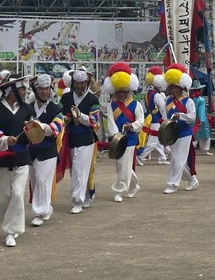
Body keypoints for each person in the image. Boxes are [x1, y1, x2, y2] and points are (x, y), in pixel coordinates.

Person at [0, 74, 34, 247]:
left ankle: (11, 232)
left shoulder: (27, 109)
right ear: (11, 90)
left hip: (22, 158)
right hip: (1, 158)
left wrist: (35, 131)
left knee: (18, 194)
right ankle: (9, 222)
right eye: (22, 89)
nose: (25, 92)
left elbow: (33, 130)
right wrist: (6, 140)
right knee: (3, 198)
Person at [59, 68, 100, 213]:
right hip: (70, 138)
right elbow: (58, 114)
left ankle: (78, 201)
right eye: (77, 83)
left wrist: (80, 116)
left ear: (87, 83)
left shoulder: (92, 99)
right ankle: (86, 195)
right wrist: (65, 119)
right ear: (73, 83)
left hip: (86, 139)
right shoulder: (66, 97)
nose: (80, 86)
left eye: (82, 83)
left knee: (80, 170)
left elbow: (94, 121)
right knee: (74, 171)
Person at [103, 62, 144, 202]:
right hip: (117, 139)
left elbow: (141, 120)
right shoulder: (112, 105)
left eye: (123, 91)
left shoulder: (136, 104)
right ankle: (134, 185)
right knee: (122, 165)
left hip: (130, 139)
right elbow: (110, 122)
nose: (121, 94)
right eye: (118, 91)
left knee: (123, 165)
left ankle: (119, 190)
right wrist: (116, 136)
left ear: (128, 90)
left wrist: (131, 126)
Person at [27, 74, 63, 227]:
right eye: (41, 89)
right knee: (35, 182)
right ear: (36, 90)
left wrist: (37, 126)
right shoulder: (27, 108)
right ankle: (46, 207)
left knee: (42, 180)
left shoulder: (56, 108)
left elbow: (56, 128)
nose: (44, 92)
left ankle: (39, 213)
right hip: (31, 151)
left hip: (48, 151)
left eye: (47, 89)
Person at [162, 63, 198, 194]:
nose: (173, 90)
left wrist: (181, 116)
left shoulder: (188, 101)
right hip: (172, 134)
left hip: (185, 133)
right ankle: (192, 179)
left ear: (181, 88)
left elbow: (192, 118)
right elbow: (164, 118)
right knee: (176, 159)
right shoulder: (167, 101)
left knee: (178, 159)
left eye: (176, 88)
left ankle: (172, 184)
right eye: (171, 88)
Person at [136, 66, 168, 165]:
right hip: (157, 120)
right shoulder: (157, 95)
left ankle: (162, 158)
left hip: (151, 118)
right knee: (153, 141)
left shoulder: (148, 94)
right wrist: (165, 119)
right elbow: (163, 108)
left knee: (158, 140)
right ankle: (140, 157)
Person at [191, 80, 211, 155]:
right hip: (201, 119)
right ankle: (205, 149)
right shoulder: (201, 100)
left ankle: (193, 146)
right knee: (205, 134)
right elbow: (201, 110)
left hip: (194, 118)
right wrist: (202, 119)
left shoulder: (193, 99)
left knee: (195, 133)